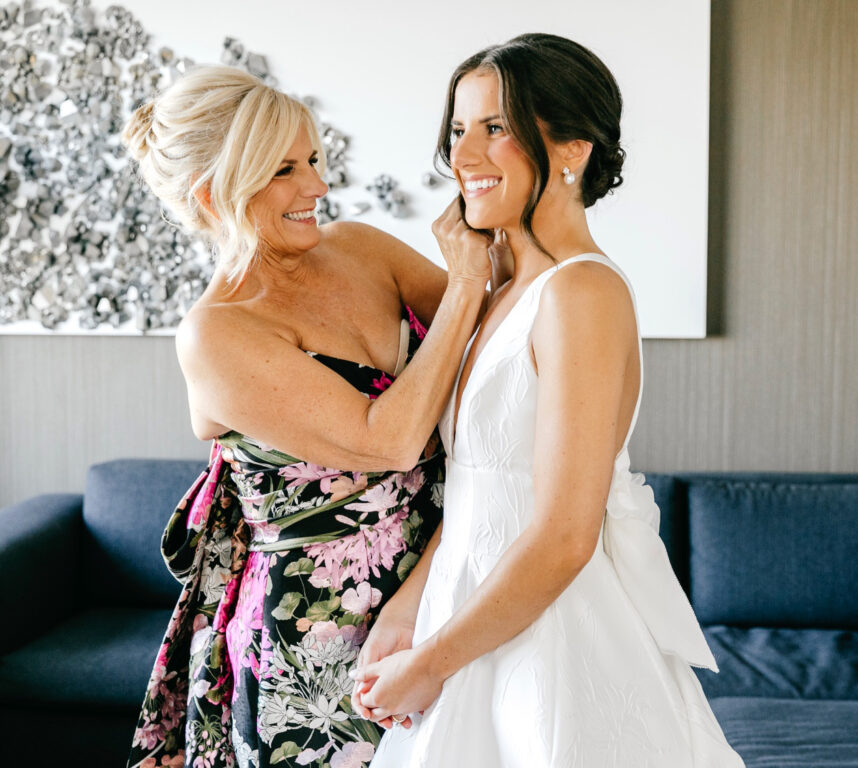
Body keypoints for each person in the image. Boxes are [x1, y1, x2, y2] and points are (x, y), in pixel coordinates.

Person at [350, 34, 745, 767]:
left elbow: (565, 534)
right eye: (459, 130)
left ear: (572, 148)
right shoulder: (502, 292)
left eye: (494, 128)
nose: (462, 157)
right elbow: (483, 489)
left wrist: (432, 662)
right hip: (468, 620)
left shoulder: (582, 292)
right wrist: (410, 611)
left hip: (552, 642)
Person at [120, 65, 495, 768]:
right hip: (316, 647)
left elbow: (495, 333)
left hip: (448, 588)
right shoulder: (217, 334)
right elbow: (390, 440)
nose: (318, 186)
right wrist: (469, 280)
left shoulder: (361, 249)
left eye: (315, 160)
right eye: (285, 169)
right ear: (213, 192)